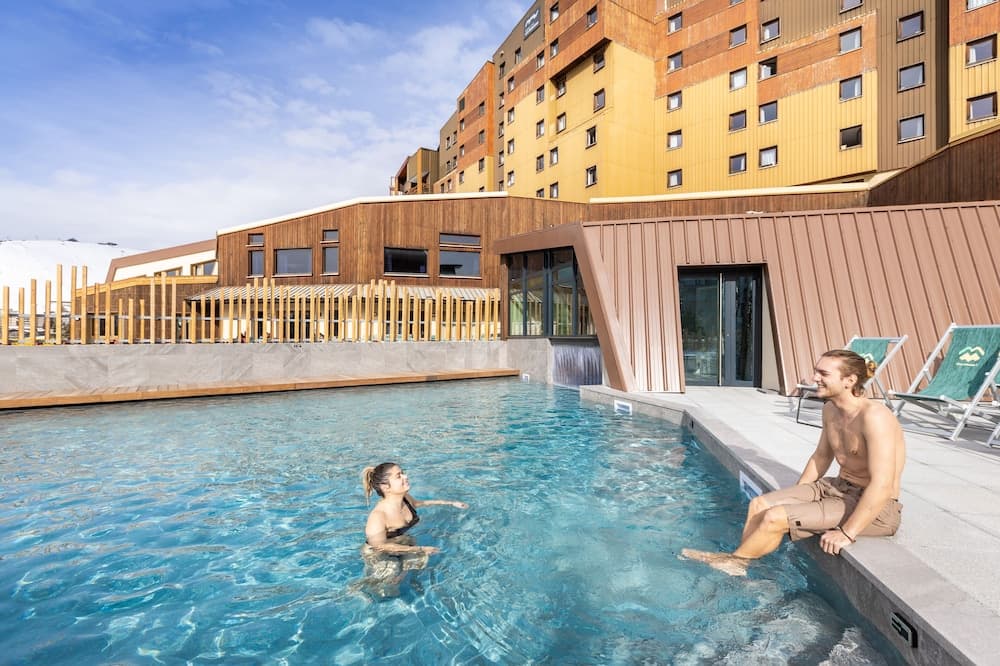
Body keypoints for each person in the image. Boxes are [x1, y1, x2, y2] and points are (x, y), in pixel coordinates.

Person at [682, 349, 905, 577]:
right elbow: (821, 457)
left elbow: (882, 485)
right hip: (837, 487)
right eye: (816, 371)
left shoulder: (875, 417)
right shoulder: (831, 410)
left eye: (823, 373)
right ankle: (740, 561)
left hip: (877, 507)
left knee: (775, 517)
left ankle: (734, 562)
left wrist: (847, 533)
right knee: (759, 505)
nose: (815, 378)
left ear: (849, 380)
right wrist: (798, 497)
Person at [360, 462, 467, 583]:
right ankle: (360, 588)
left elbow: (421, 503)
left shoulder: (405, 499)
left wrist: (451, 503)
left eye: (403, 473)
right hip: (378, 553)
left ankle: (406, 580)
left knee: (420, 561)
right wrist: (421, 548)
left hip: (401, 542)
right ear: (385, 487)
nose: (405, 476)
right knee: (389, 576)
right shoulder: (378, 516)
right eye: (398, 476)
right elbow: (379, 546)